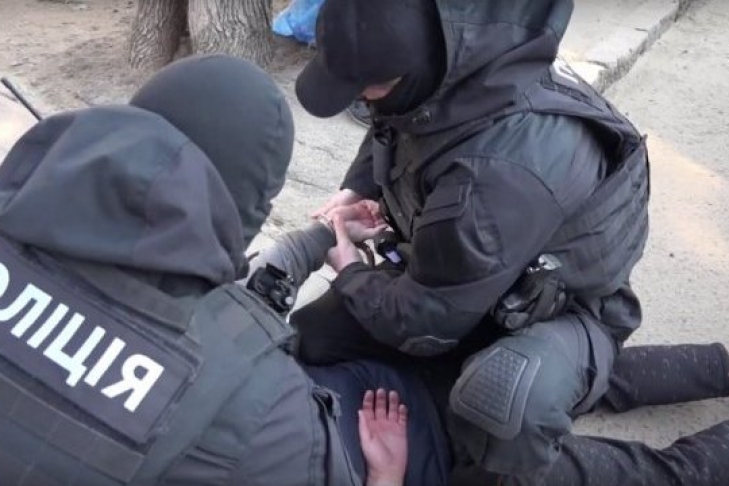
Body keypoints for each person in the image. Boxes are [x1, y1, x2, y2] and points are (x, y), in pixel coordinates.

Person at [291, 0, 650, 481]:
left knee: (500, 403)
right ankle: (696, 367)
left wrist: (350, 269)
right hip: (477, 271)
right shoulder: (453, 50)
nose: (361, 100)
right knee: (316, 333)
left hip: (562, 310)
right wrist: (361, 187)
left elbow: (425, 322)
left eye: (366, 88)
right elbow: (397, 122)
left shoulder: (496, 173)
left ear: (410, 73)